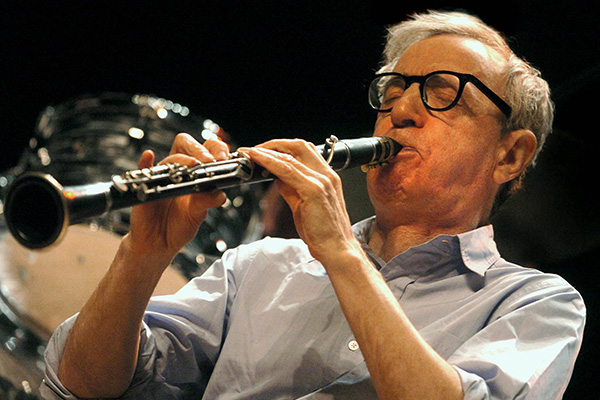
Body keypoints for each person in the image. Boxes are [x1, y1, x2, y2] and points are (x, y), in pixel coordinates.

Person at [40, 10, 585, 400]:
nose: (401, 111)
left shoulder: (536, 305)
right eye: (392, 92)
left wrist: (342, 254)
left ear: (510, 155)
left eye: (443, 92)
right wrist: (141, 254)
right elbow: (80, 384)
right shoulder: (256, 269)